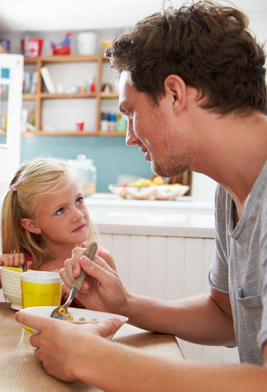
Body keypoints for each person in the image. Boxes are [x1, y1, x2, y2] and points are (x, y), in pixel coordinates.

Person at [16, 1, 267, 389]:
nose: (130, 136)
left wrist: (95, 358)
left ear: (173, 94)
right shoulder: (229, 194)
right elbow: (226, 317)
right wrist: (126, 306)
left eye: (131, 112)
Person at [0, 158, 116, 300]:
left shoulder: (100, 261)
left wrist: (80, 297)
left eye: (79, 200)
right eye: (60, 210)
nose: (78, 215)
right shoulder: (23, 267)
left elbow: (117, 311)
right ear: (32, 225)